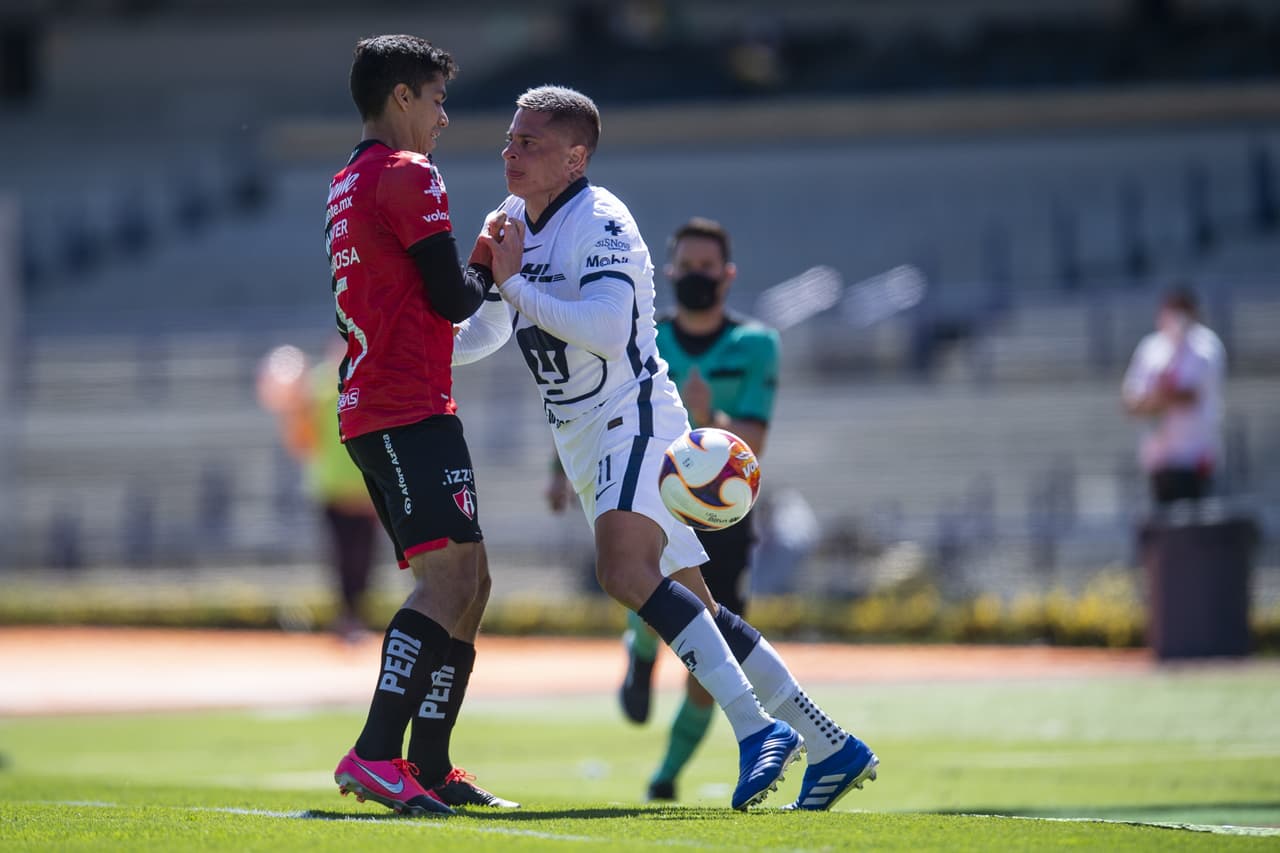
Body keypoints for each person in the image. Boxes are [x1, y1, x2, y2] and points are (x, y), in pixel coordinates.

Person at [481, 85, 878, 810]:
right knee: (701, 606)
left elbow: (606, 331)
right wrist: (422, 348)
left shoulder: (601, 218)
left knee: (621, 568)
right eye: (510, 139)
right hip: (582, 431)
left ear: (575, 158)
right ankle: (831, 745)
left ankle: (756, 729)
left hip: (630, 415)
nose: (511, 152)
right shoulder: (510, 217)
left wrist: (512, 287)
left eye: (529, 142)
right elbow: (489, 327)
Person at [326, 34, 525, 816]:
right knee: (447, 582)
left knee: (472, 580)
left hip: (390, 402)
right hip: (403, 405)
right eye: (437, 100)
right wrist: (490, 262)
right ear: (401, 97)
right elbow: (452, 297)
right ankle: (376, 753)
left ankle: (430, 762)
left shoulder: (349, 177)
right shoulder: (409, 172)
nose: (444, 117)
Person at [546, 216, 783, 801]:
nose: (697, 276)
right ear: (670, 272)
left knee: (714, 649)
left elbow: (752, 444)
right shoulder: (647, 338)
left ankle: (667, 775)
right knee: (651, 587)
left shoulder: (756, 345)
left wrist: (709, 419)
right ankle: (643, 651)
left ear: (727, 275)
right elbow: (592, 402)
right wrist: (558, 470)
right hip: (655, 492)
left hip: (725, 517)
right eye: (688, 266)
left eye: (708, 267)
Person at [256, 342, 379, 643]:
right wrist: (291, 408)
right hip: (333, 487)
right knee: (342, 558)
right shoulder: (320, 388)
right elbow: (302, 441)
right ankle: (347, 618)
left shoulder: (369, 384)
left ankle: (355, 618)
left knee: (363, 559)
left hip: (365, 487)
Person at [1122, 286, 1226, 507]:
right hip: (1159, 459)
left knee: (1196, 519)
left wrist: (1154, 399)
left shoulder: (1206, 345)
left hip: (1194, 457)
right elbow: (1131, 400)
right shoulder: (1151, 347)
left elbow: (1190, 395)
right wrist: (1158, 399)